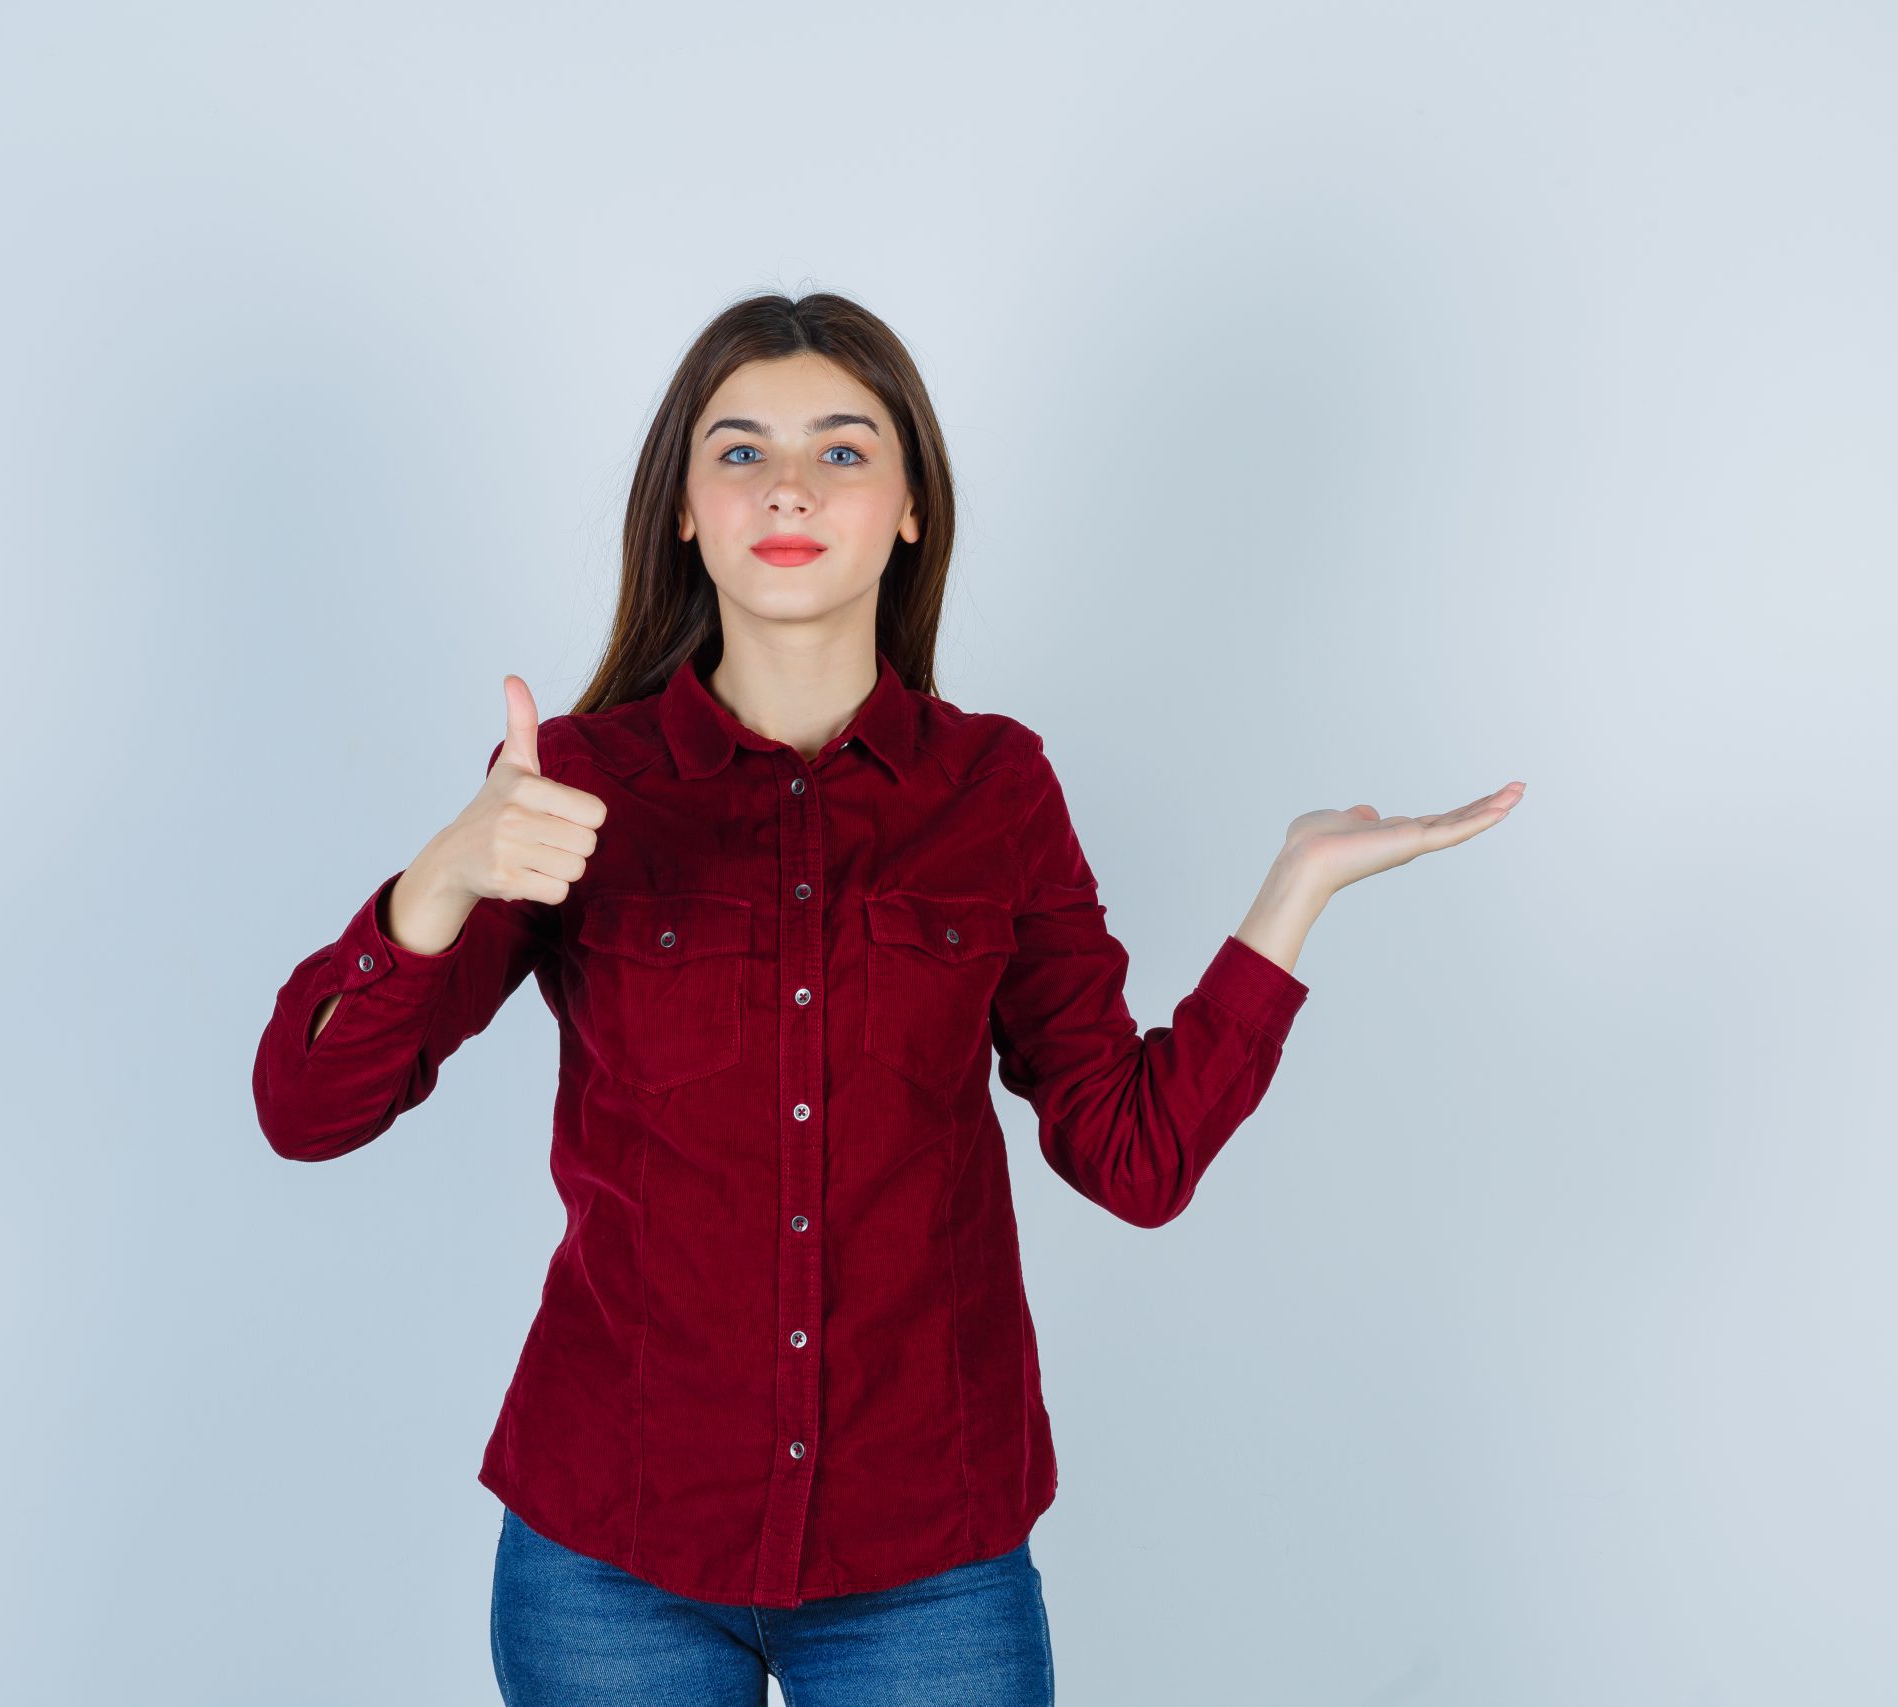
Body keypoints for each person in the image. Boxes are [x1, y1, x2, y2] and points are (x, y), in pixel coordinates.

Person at [249, 291, 1524, 1706]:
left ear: (911, 508)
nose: (788, 484)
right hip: (611, 1553)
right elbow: (306, 1114)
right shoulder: (576, 789)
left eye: (843, 450)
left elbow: (1133, 1157)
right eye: (739, 452)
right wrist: (441, 879)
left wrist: (1292, 896)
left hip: (930, 1559)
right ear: (682, 510)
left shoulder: (996, 792)